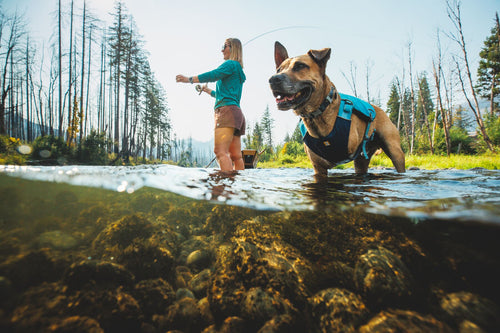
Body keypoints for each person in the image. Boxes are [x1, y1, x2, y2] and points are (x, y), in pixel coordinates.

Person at [176, 38, 246, 172]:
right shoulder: (238, 70)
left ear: (232, 48)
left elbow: (213, 75)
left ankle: (226, 189)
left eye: (224, 46)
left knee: (220, 152)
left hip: (226, 112)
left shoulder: (230, 64)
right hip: (237, 114)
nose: (221, 50)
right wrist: (208, 91)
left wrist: (189, 79)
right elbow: (224, 94)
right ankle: (238, 189)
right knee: (236, 156)